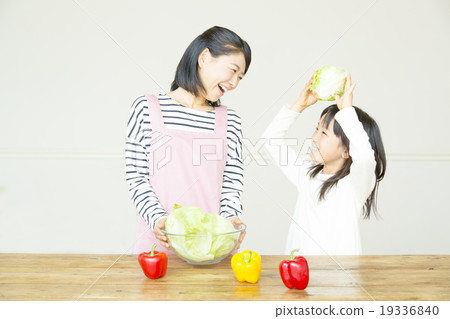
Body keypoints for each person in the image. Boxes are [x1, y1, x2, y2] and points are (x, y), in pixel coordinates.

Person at [126, 26, 251, 254]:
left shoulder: (229, 120)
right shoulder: (147, 108)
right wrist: (158, 220)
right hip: (159, 247)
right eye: (232, 71)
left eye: (240, 77)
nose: (234, 83)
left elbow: (231, 183)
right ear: (204, 58)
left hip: (212, 247)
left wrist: (231, 219)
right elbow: (137, 177)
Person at [261, 74, 386, 255]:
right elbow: (269, 139)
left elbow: (366, 158)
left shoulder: (355, 184)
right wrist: (299, 106)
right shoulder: (306, 174)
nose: (314, 137)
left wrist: (347, 113)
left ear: (347, 151)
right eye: (316, 128)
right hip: (299, 275)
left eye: (324, 133)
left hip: (339, 279)